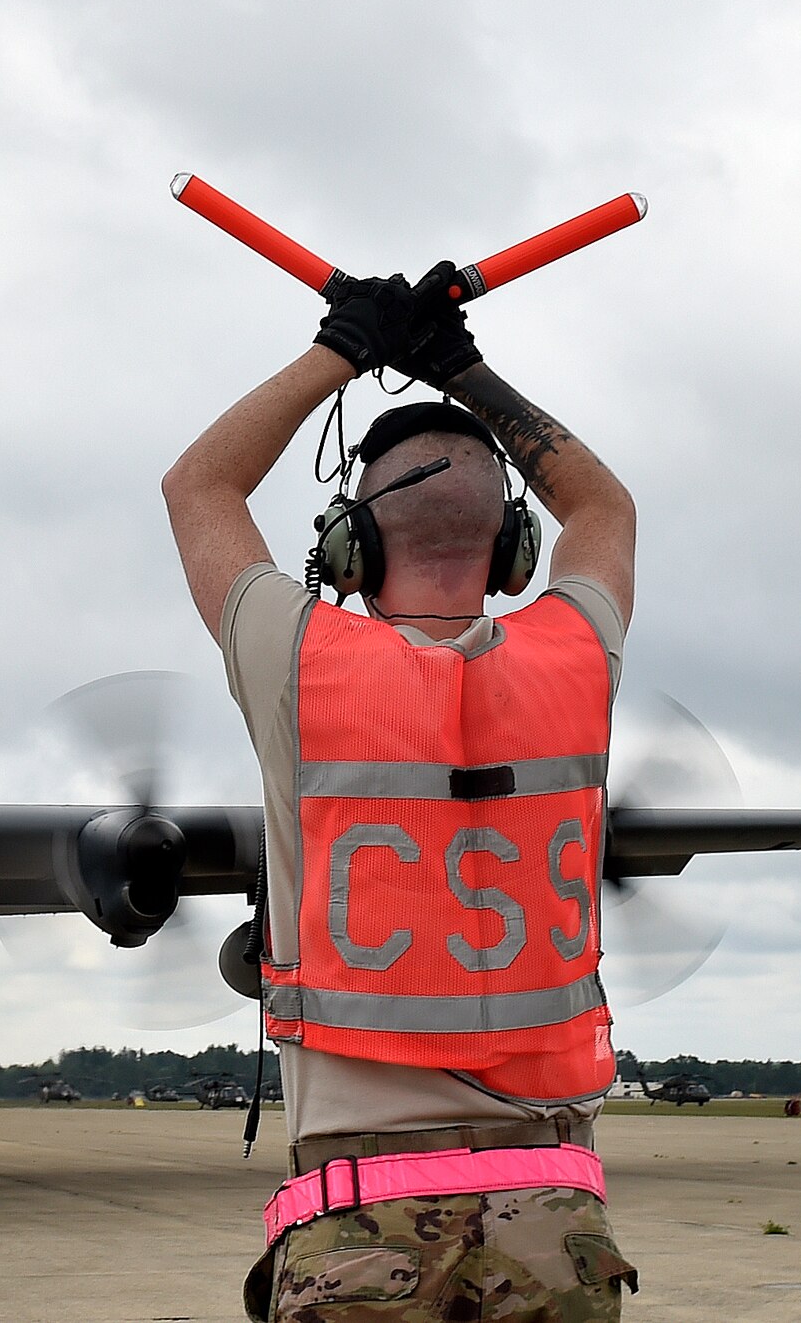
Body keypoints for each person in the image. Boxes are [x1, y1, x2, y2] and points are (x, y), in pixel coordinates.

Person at [162, 269, 641, 1320]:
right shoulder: (575, 659)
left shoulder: (302, 663)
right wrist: (464, 371)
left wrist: (341, 344)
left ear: (351, 545)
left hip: (360, 1233)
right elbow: (602, 505)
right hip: (555, 1225)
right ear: (512, 551)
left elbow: (197, 486)